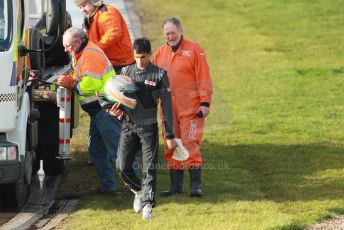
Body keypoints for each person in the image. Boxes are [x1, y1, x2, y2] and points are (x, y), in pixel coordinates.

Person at [109, 37, 176, 220]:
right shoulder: (125, 71)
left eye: (144, 57)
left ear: (150, 54)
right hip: (128, 125)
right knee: (121, 166)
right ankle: (139, 191)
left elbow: (167, 107)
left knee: (149, 168)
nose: (140, 61)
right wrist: (114, 110)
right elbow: (115, 96)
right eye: (137, 57)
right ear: (133, 54)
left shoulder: (159, 75)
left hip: (149, 128)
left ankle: (148, 205)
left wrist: (170, 134)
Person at [152, 17, 213, 197]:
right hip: (168, 110)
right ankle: (176, 187)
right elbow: (153, 82)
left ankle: (196, 186)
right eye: (167, 33)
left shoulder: (194, 50)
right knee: (171, 144)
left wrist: (205, 103)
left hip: (191, 108)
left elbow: (204, 77)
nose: (170, 36)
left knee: (189, 143)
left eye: (173, 33)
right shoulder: (160, 53)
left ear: (180, 31)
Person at [57, 27, 121, 195]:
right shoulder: (81, 52)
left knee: (117, 150)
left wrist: (71, 83)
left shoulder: (90, 55)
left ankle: (138, 187)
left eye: (68, 46)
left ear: (78, 42)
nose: (65, 50)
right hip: (97, 111)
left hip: (104, 109)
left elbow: (90, 84)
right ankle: (108, 187)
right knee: (96, 149)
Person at [73, 0, 134, 74]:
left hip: (120, 63)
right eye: (80, 7)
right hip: (106, 63)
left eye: (84, 5)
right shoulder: (92, 17)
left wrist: (93, 51)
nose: (82, 10)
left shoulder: (107, 12)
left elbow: (113, 34)